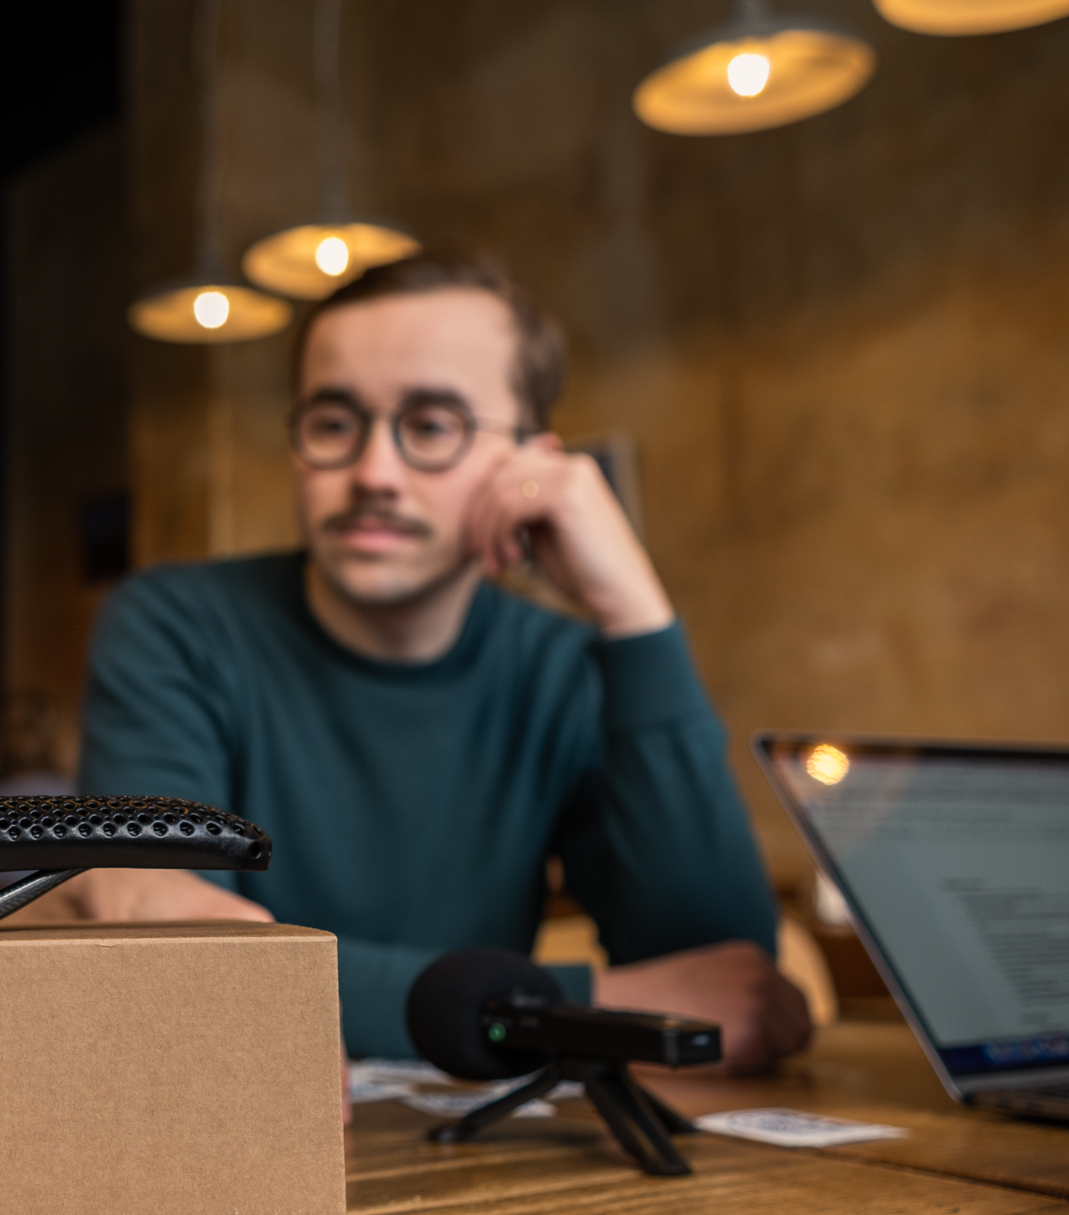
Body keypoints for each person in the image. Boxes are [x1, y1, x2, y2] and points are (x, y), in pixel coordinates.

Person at [55, 252, 812, 1073]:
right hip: (248, 1123)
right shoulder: (173, 626)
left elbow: (728, 991)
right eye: (334, 423)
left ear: (531, 462)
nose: (373, 475)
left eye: (432, 426)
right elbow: (188, 965)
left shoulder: (562, 670)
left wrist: (636, 616)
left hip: (492, 1133)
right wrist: (579, 1008)